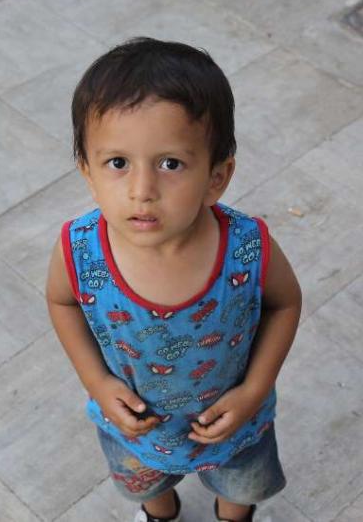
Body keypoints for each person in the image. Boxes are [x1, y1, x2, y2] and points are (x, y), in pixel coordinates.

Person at [45, 37, 301, 522]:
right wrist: (96, 380)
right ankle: (161, 515)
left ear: (216, 177)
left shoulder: (246, 247)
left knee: (241, 484)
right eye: (118, 163)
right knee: (147, 483)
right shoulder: (79, 251)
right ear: (88, 172)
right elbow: (62, 303)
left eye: (171, 164)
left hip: (234, 424)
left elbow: (284, 303)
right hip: (138, 431)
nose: (142, 191)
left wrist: (254, 390)